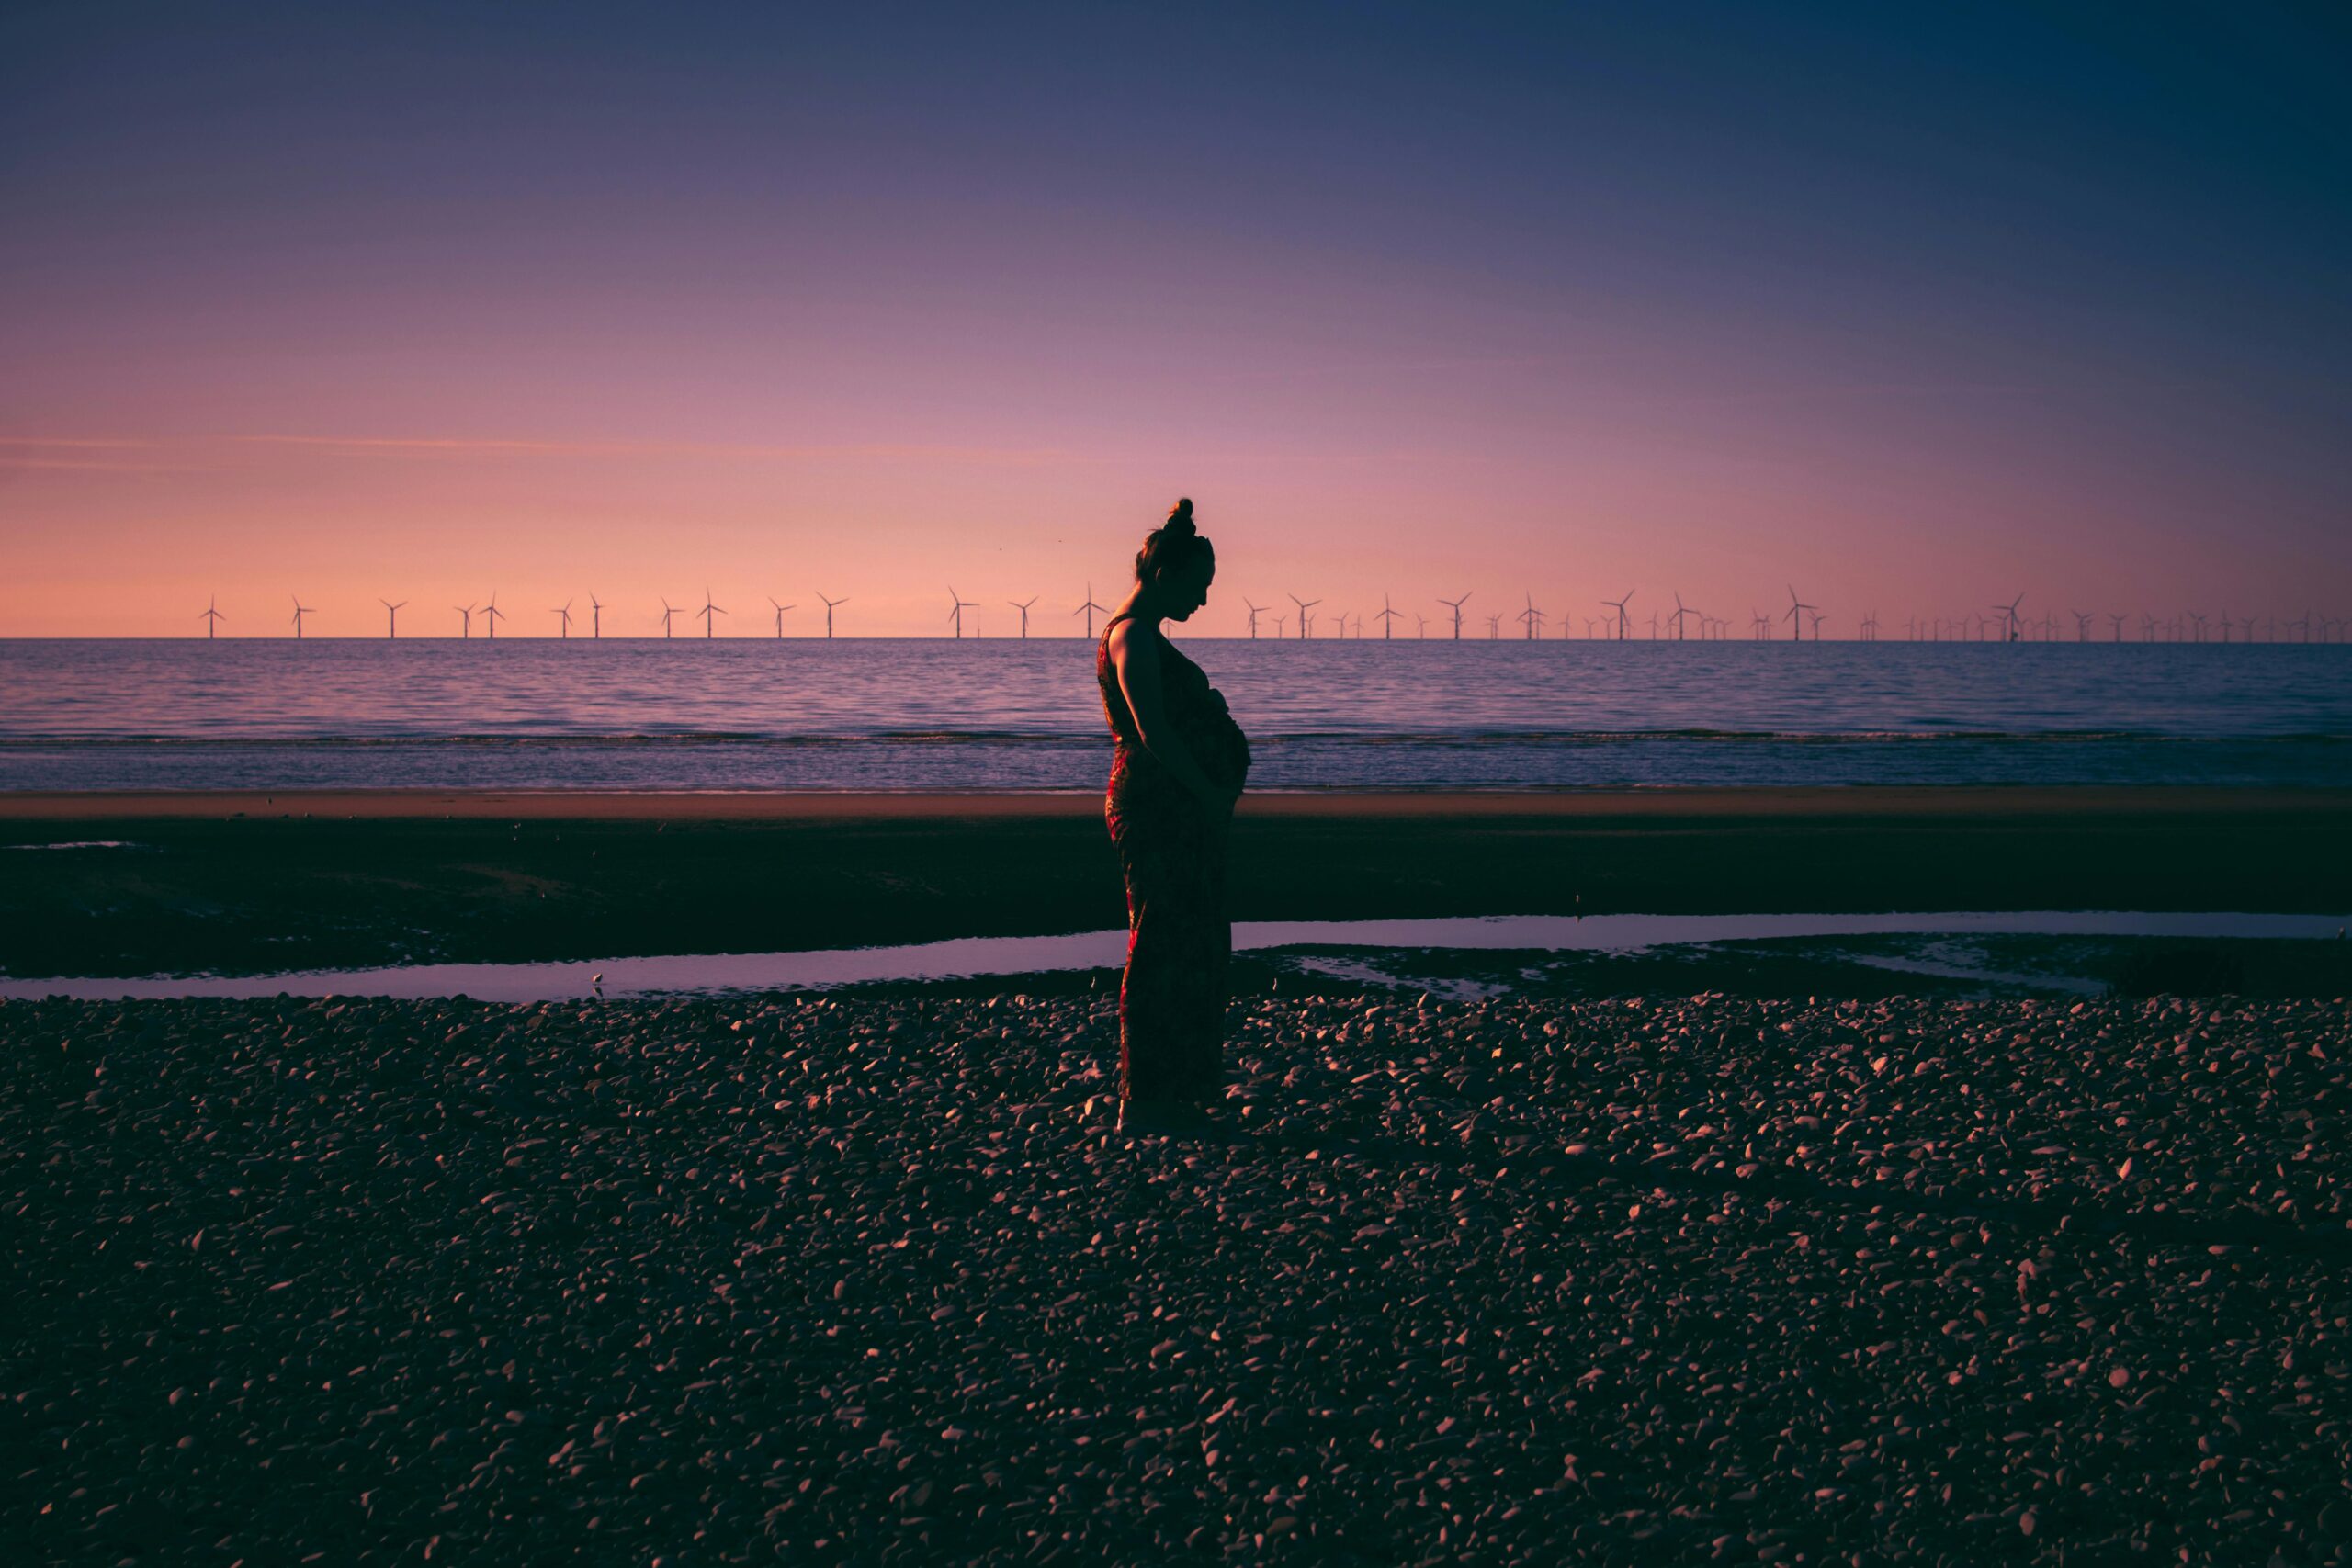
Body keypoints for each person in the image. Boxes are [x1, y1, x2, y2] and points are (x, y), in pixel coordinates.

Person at [1096, 498, 1251, 1134]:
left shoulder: (1148, 636)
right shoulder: (1131, 636)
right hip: (1157, 808)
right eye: (1200, 585)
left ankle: (1184, 1091)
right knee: (1161, 943)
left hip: (1179, 807)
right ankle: (1145, 1099)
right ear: (1167, 574)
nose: (1206, 602)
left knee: (1196, 940)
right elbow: (1152, 729)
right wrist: (1210, 794)